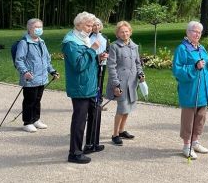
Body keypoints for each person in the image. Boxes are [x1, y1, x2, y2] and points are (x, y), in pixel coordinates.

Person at [62, 12, 107, 164]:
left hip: (90, 85)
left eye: (92, 25)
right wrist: (93, 50)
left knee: (96, 113)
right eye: (88, 25)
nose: (90, 28)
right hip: (80, 87)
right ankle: (74, 153)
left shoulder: (83, 38)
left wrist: (98, 58)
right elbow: (78, 65)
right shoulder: (70, 42)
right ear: (78, 25)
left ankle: (90, 144)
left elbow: (87, 61)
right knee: (79, 121)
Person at [172, 21, 208, 160]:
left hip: (203, 90)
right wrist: (194, 67)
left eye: (199, 32)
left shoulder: (201, 48)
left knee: (200, 118)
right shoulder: (182, 49)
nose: (197, 34)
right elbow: (177, 70)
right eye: (194, 31)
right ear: (187, 32)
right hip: (190, 91)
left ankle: (195, 142)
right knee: (189, 119)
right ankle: (186, 146)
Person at [14, 18, 59, 133]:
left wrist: (52, 71)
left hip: (42, 78)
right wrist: (25, 72)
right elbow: (19, 60)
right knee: (29, 100)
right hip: (30, 78)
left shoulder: (41, 42)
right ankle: (27, 122)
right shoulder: (24, 43)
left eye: (40, 27)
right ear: (29, 29)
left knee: (37, 100)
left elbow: (47, 60)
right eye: (36, 27)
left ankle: (36, 119)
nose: (39, 29)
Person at [106, 21, 145, 146]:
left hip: (132, 82)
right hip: (121, 82)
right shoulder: (114, 46)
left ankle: (122, 130)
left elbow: (138, 63)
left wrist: (140, 74)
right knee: (122, 108)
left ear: (130, 32)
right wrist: (116, 84)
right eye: (122, 32)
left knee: (129, 107)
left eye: (127, 31)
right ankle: (115, 134)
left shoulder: (134, 46)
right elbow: (111, 66)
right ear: (117, 34)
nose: (125, 34)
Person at [85, 18, 109, 153]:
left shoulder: (104, 37)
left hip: (103, 63)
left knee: (100, 82)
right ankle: (94, 100)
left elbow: (108, 48)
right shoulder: (88, 37)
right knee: (94, 83)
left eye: (98, 24)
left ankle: (98, 100)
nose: (96, 27)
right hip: (93, 64)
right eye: (94, 25)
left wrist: (106, 55)